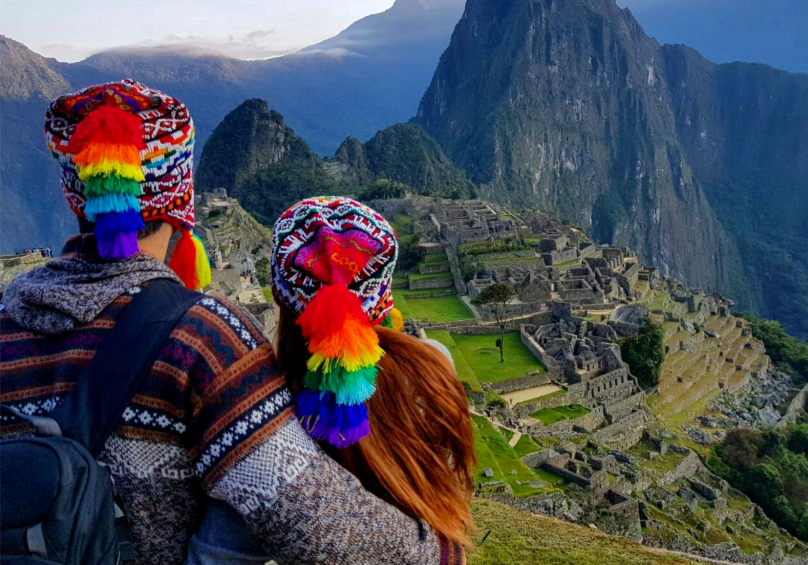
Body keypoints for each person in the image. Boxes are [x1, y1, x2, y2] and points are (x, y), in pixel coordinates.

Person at [0, 80, 463, 564]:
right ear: (179, 204)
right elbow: (313, 521)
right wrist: (440, 553)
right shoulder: (199, 338)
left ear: (78, 197)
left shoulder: (6, 322)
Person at [187, 196, 475, 564]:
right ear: (381, 294)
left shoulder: (265, 420)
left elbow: (216, 554)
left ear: (281, 296)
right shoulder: (435, 368)